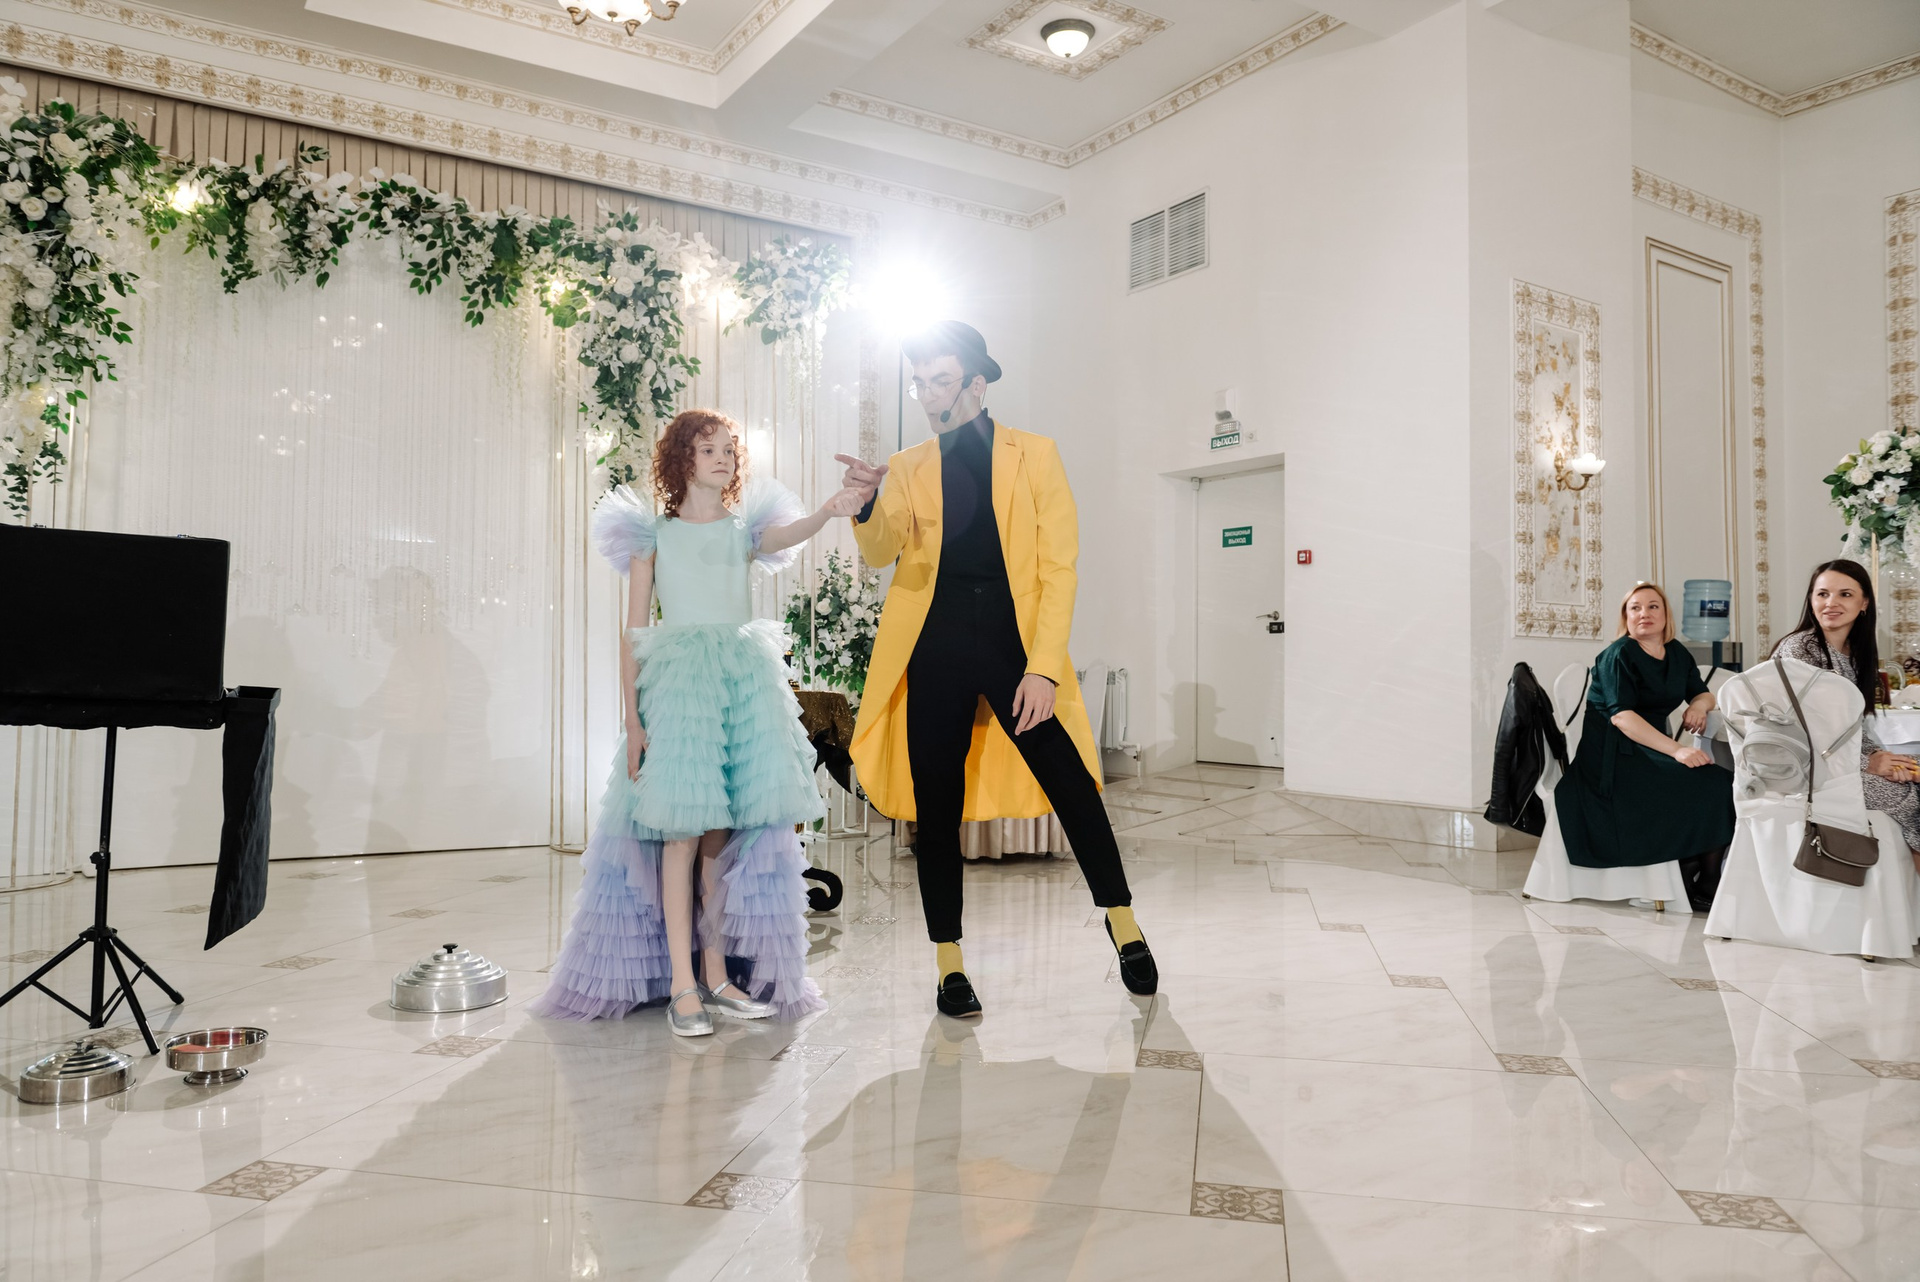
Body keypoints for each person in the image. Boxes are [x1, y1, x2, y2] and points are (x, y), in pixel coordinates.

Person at [833, 321, 1156, 1018]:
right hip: (935, 645)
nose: (927, 395)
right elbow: (883, 552)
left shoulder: (1035, 455)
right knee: (936, 808)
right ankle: (949, 963)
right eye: (919, 383)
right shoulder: (909, 464)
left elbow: (1059, 568)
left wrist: (1043, 669)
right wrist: (867, 504)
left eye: (940, 382)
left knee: (1072, 784)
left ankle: (1123, 921)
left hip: (1014, 649)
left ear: (976, 384)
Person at [532, 409, 865, 1035]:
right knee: (681, 835)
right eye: (708, 449)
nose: (722, 459)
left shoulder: (744, 531)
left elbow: (787, 534)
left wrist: (829, 510)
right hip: (683, 692)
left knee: (720, 836)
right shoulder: (653, 536)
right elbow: (633, 635)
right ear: (682, 459)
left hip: (740, 688)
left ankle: (715, 974)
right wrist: (634, 723)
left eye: (728, 451)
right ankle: (681, 983)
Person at [1553, 582, 1736, 911]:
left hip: (1646, 749)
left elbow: (1703, 692)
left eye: (1653, 606)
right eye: (1635, 608)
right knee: (1713, 783)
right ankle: (1699, 875)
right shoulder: (1618, 654)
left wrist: (1698, 705)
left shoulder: (1675, 652)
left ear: (1666, 615)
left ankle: (1699, 873)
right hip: (1610, 758)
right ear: (1626, 617)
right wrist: (1678, 750)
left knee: (1721, 781)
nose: (1644, 613)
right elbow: (1622, 717)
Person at [1770, 559, 1920, 871]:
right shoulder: (1800, 649)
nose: (1831, 603)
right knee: (1909, 797)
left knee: (1910, 771)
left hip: (1838, 765)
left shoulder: (1855, 654)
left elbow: (1850, 728)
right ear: (1811, 599)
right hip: (1805, 770)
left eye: (1845, 594)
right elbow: (1806, 731)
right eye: (1822, 594)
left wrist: (1877, 755)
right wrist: (1868, 764)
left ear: (1864, 603)